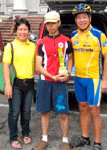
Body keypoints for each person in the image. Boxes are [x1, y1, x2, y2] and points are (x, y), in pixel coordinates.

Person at [69, 4, 107, 150]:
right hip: (79, 78)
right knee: (82, 107)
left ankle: (97, 142)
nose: (82, 20)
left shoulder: (99, 34)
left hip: (93, 78)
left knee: (94, 109)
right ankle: (85, 137)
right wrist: (67, 71)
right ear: (76, 20)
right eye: (79, 18)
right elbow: (71, 57)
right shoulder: (73, 36)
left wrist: (105, 79)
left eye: (84, 17)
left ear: (90, 18)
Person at [33, 11, 73, 150]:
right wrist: (52, 76)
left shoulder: (67, 41)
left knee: (62, 113)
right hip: (45, 81)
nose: (51, 26)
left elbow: (71, 60)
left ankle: (65, 140)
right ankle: (44, 139)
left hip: (60, 82)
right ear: (45, 25)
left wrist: (67, 72)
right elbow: (38, 66)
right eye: (48, 23)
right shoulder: (41, 42)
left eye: (53, 23)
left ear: (59, 23)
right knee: (44, 111)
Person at [3, 18, 36, 149]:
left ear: (29, 31)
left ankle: (26, 133)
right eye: (20, 29)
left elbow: (37, 64)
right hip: (15, 83)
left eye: (25, 29)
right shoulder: (10, 46)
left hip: (30, 83)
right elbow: (6, 66)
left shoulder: (33, 46)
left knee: (26, 111)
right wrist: (8, 85)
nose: (23, 32)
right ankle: (13, 137)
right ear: (16, 31)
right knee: (15, 112)